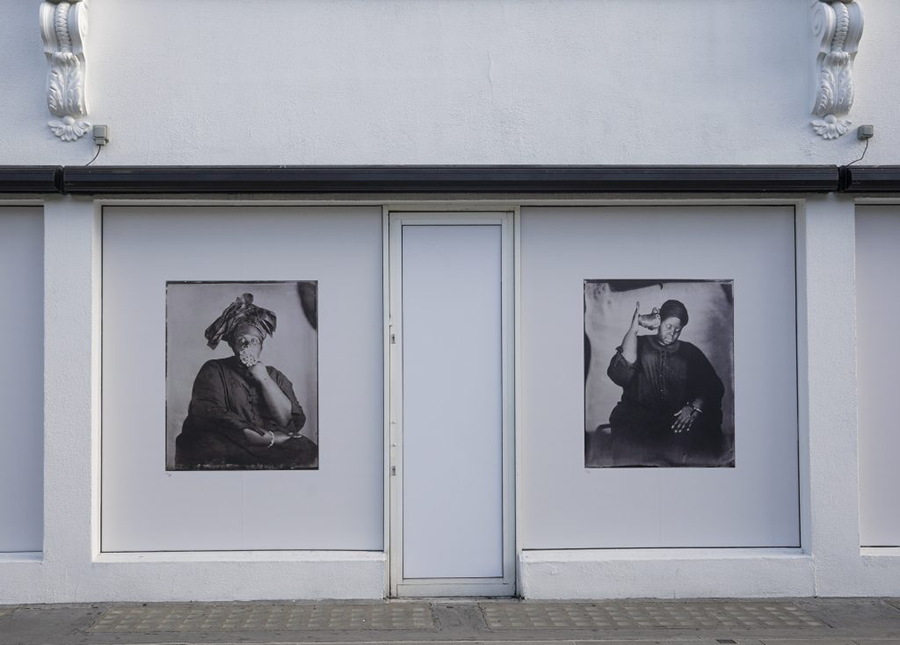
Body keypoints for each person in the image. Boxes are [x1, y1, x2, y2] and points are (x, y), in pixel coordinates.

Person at [174, 293, 318, 469]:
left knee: (307, 449)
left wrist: (264, 379)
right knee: (207, 448)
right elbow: (209, 412)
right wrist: (262, 437)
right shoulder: (213, 369)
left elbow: (289, 422)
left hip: (267, 441)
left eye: (254, 341)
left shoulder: (275, 375)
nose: (247, 346)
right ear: (233, 346)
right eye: (241, 341)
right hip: (228, 439)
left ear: (261, 346)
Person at [604, 299, 726, 467]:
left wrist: (694, 406)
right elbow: (621, 374)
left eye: (678, 329)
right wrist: (635, 326)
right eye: (669, 326)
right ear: (659, 322)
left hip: (675, 420)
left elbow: (712, 385)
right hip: (637, 419)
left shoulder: (689, 351)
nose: (672, 333)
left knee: (694, 452)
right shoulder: (639, 343)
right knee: (632, 457)